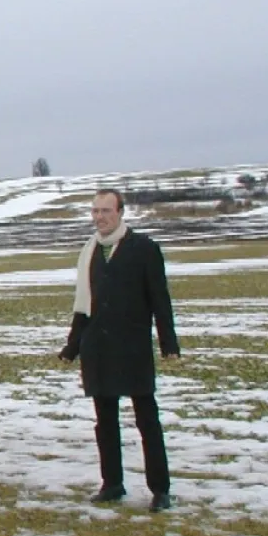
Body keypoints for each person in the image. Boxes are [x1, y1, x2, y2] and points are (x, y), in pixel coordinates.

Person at [59, 189, 180, 512]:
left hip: (132, 348)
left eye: (106, 211)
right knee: (105, 422)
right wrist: (72, 346)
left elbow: (159, 298)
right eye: (95, 211)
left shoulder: (144, 248)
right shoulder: (90, 251)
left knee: (147, 420)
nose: (99, 217)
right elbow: (83, 307)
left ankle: (160, 489)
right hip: (98, 348)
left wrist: (168, 342)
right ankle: (112, 483)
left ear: (121, 212)